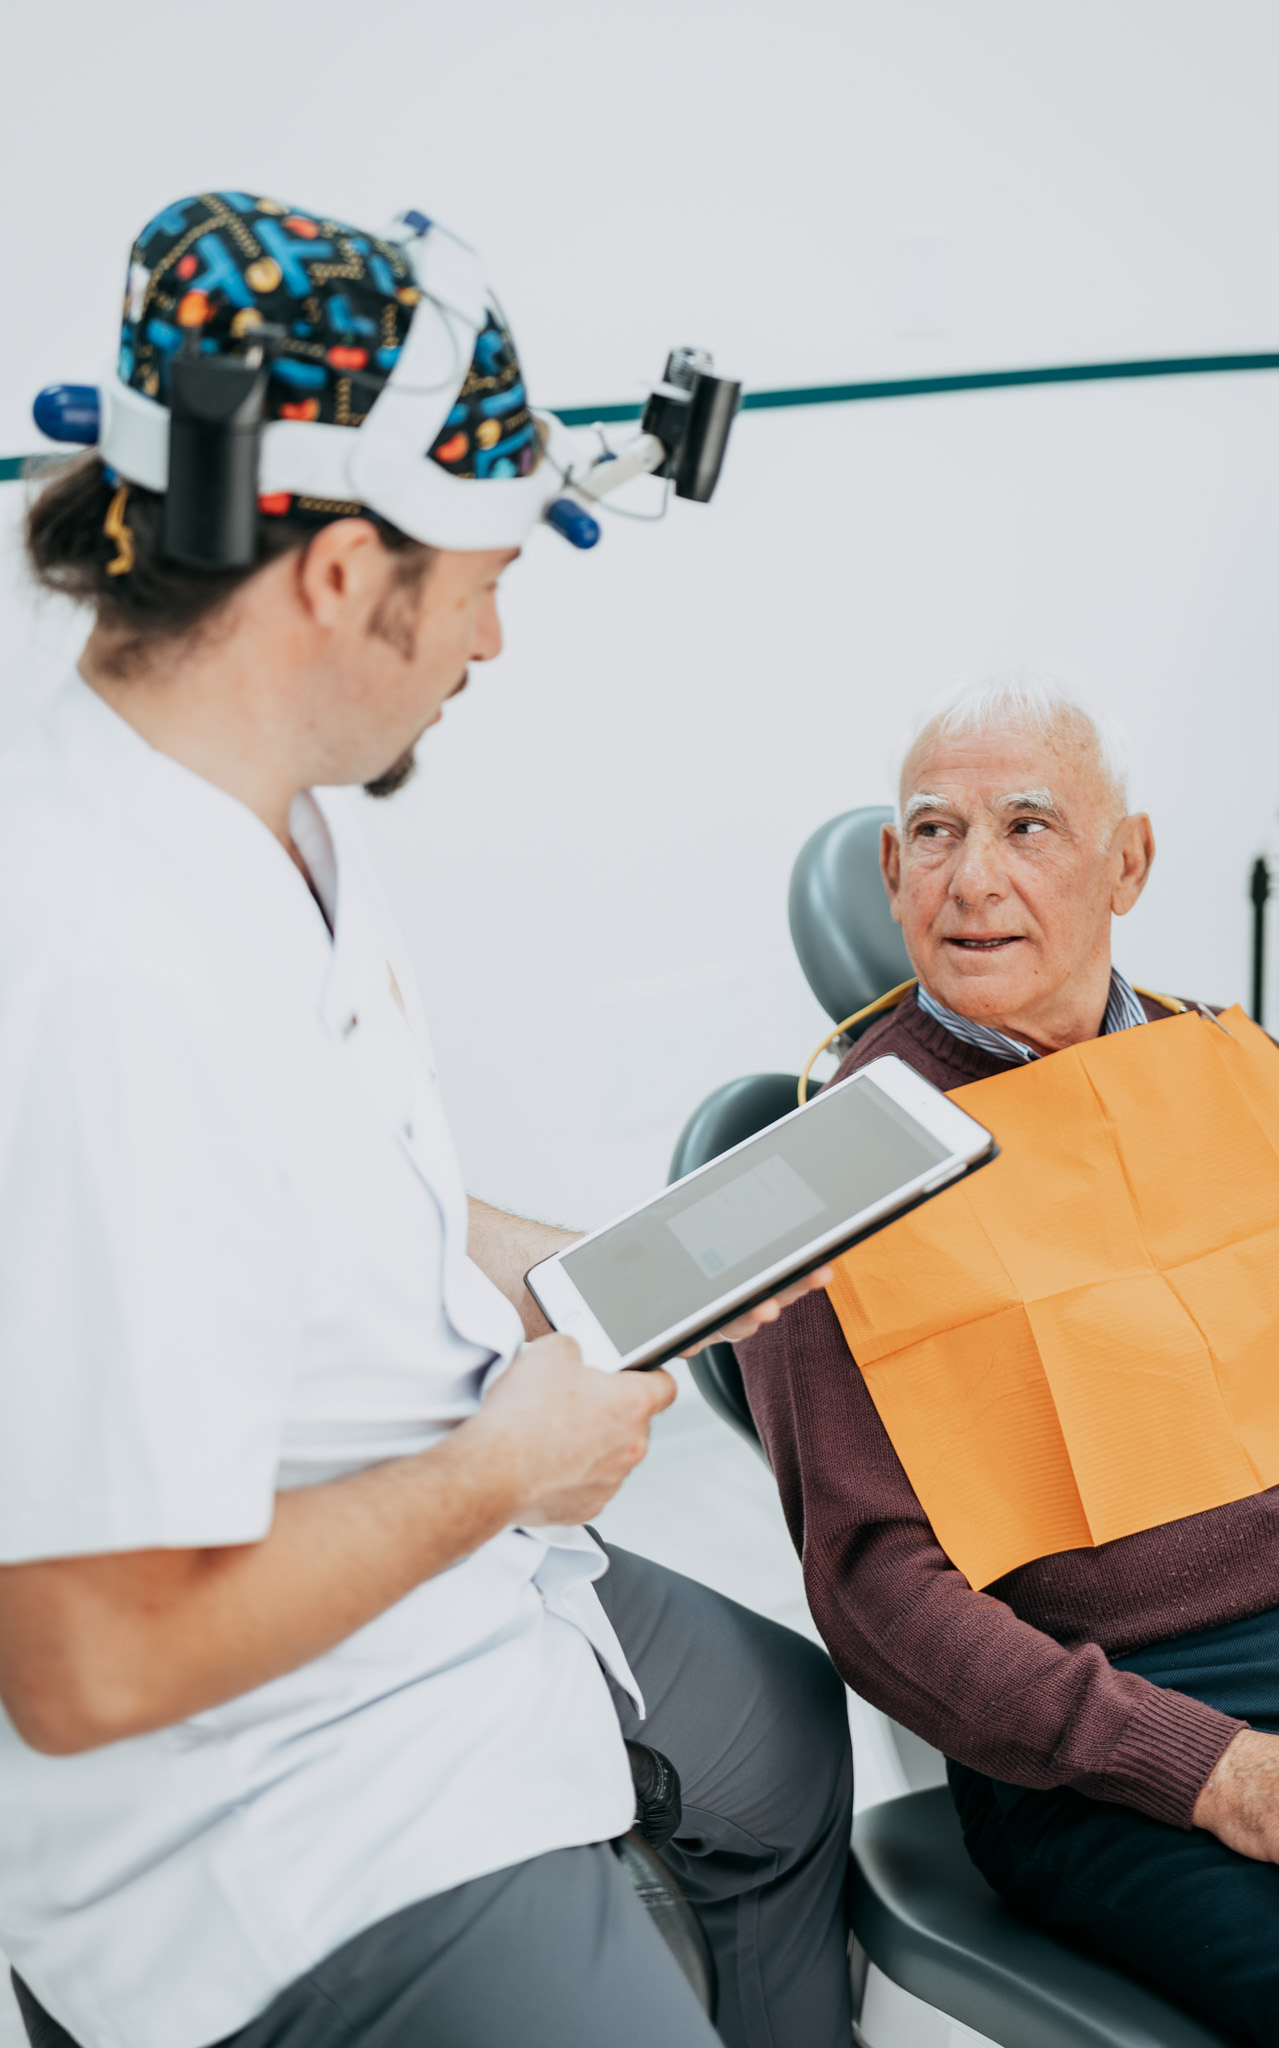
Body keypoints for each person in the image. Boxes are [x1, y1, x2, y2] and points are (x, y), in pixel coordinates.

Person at [0, 192, 852, 2048]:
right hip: (268, 1816)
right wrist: (501, 1475)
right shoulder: (92, 979)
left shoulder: (270, 799)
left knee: (784, 1752)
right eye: (481, 577)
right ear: (334, 573)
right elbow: (77, 1665)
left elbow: (326, 1183)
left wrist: (597, 1272)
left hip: (465, 1583)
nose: (487, 639)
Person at [738, 669, 1279, 2048]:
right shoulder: (808, 1183)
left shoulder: (1248, 1074)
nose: (972, 881)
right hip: (1136, 1728)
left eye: (1027, 826)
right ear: (891, 870)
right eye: (934, 835)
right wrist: (1216, 1769)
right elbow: (878, 1596)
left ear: (1125, 862)